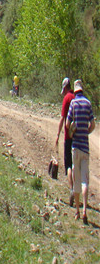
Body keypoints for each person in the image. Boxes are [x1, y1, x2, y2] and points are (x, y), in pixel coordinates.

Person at [66, 79, 96, 225]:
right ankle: (85, 211)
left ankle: (77, 211)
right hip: (85, 148)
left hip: (76, 147)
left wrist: (73, 132)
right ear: (82, 90)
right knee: (85, 181)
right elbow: (93, 125)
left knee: (76, 180)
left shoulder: (73, 103)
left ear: (75, 90)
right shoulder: (88, 104)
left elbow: (68, 124)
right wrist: (86, 132)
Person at [55, 77, 75, 205]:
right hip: (77, 137)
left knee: (68, 165)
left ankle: (71, 189)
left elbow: (62, 118)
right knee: (76, 164)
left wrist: (57, 134)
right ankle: (77, 190)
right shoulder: (76, 98)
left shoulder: (67, 99)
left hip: (68, 137)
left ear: (65, 88)